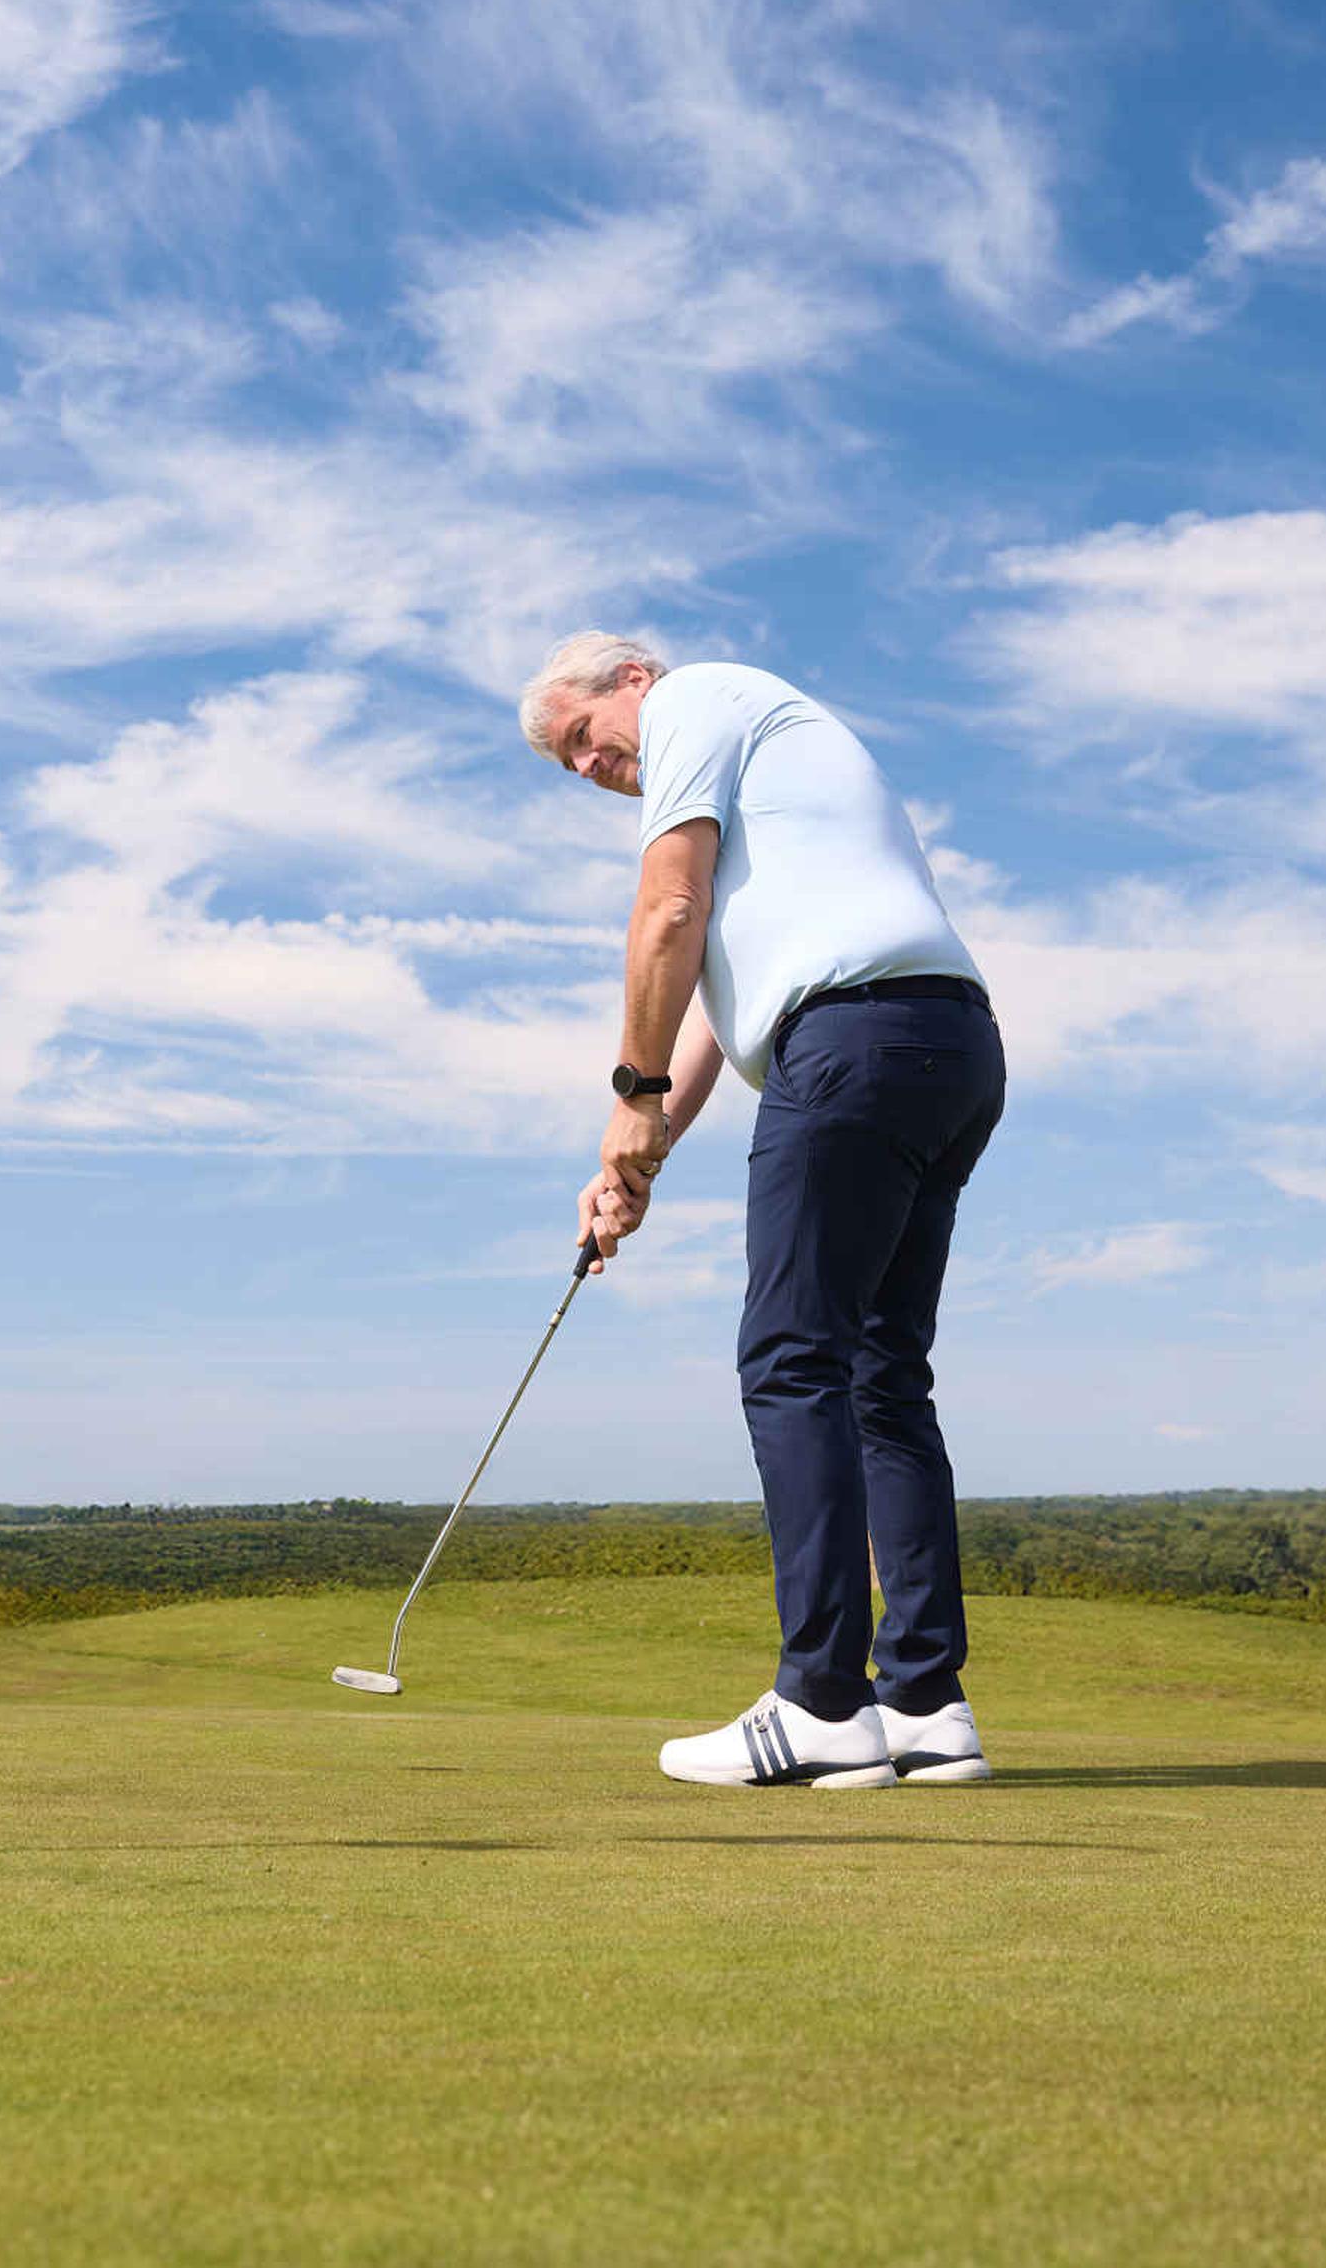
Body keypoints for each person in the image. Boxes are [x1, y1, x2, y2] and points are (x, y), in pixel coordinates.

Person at [520, 632, 1005, 1789]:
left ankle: (823, 1704)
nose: (588, 770)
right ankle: (926, 1708)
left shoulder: (694, 702)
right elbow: (712, 1015)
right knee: (884, 1372)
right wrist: (637, 1155)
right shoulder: (768, 770)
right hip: (946, 1041)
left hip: (845, 1043)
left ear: (630, 679)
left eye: (583, 740)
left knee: (792, 1360)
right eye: (567, 767)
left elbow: (667, 913)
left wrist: (626, 1097)